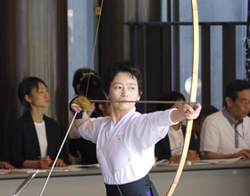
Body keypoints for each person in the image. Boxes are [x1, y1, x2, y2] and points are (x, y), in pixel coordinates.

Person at [70, 61, 201, 196]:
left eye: (131, 88)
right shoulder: (101, 126)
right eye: (118, 87)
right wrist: (75, 106)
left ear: (139, 95)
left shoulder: (141, 123)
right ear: (106, 94)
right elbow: (83, 125)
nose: (125, 94)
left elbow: (162, 118)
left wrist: (185, 113)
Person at [9, 77, 67, 169]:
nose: (46, 95)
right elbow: (15, 159)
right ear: (28, 98)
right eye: (41, 92)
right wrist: (36, 164)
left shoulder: (52, 124)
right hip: (27, 177)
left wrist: (59, 160)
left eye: (46, 90)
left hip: (51, 176)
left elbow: (60, 154)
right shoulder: (20, 125)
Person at [200, 79, 250, 159]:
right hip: (220, 170)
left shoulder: (248, 121)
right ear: (229, 101)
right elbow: (209, 156)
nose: (248, 107)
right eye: (244, 102)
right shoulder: (212, 121)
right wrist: (234, 156)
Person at [155, 91, 200, 162]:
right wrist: (178, 158)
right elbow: (157, 156)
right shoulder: (158, 131)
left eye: (183, 106)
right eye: (176, 107)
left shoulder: (187, 130)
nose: (181, 110)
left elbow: (194, 151)